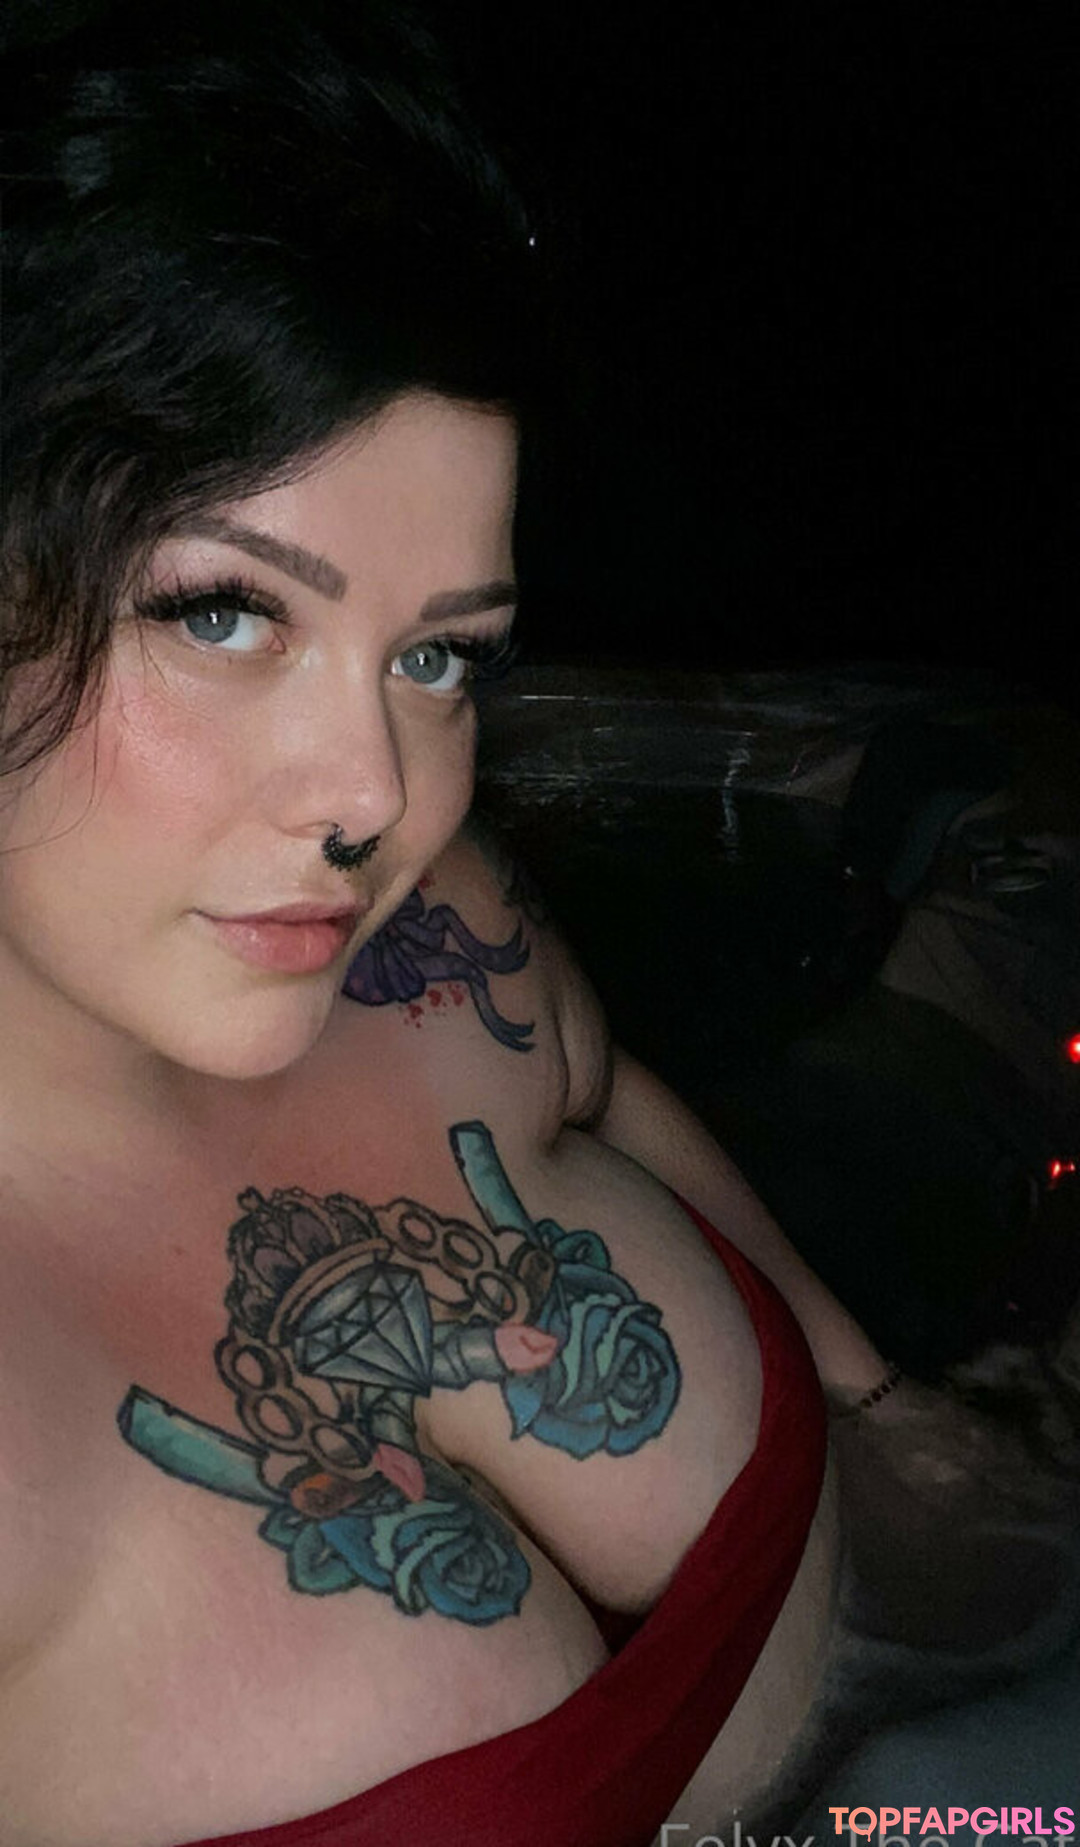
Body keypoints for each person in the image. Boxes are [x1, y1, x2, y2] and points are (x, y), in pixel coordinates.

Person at [2, 5, 1054, 1844]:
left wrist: (877, 1400)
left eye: (437, 656)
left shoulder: (436, 939)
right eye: (225, 613)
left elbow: (595, 1090)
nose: (376, 797)